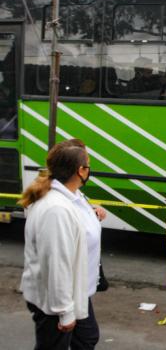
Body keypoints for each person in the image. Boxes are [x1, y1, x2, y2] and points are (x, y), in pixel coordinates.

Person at [19, 139, 102, 350]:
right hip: (56, 301)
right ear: (80, 171)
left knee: (86, 339)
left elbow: (75, 224)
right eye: (88, 165)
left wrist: (93, 213)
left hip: (76, 291)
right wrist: (64, 312)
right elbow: (57, 264)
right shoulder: (56, 209)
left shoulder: (71, 195)